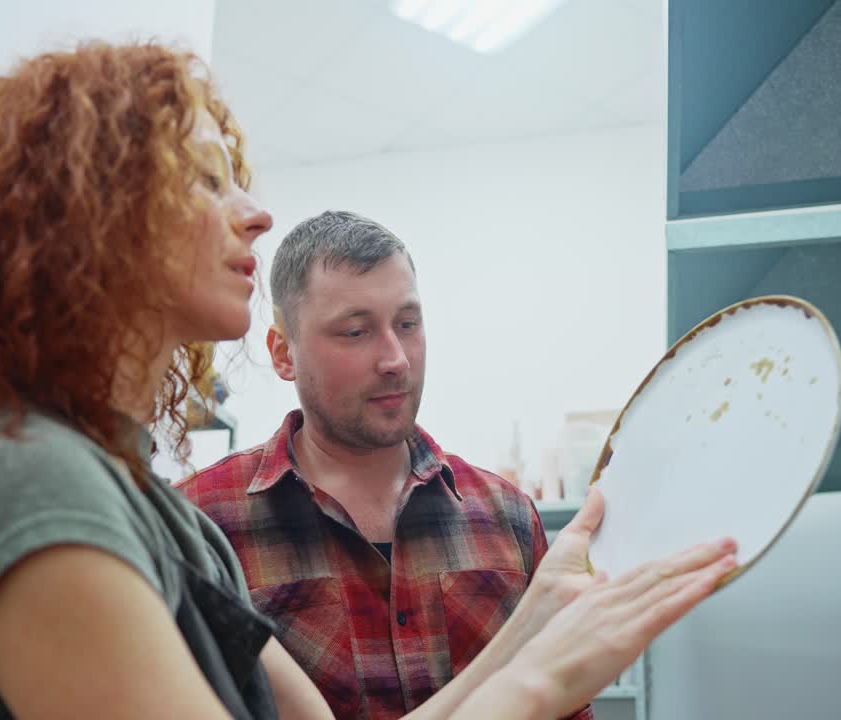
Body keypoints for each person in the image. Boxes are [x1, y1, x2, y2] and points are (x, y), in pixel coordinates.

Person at [0, 40, 737, 720]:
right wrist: (544, 678)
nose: (254, 211)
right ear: (83, 220)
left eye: (407, 322)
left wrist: (537, 619)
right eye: (205, 179)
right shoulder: (17, 478)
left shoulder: (149, 512)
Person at [176, 211, 610, 718]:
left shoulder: (507, 516)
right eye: (356, 332)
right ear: (283, 353)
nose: (396, 359)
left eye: (407, 324)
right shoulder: (204, 522)